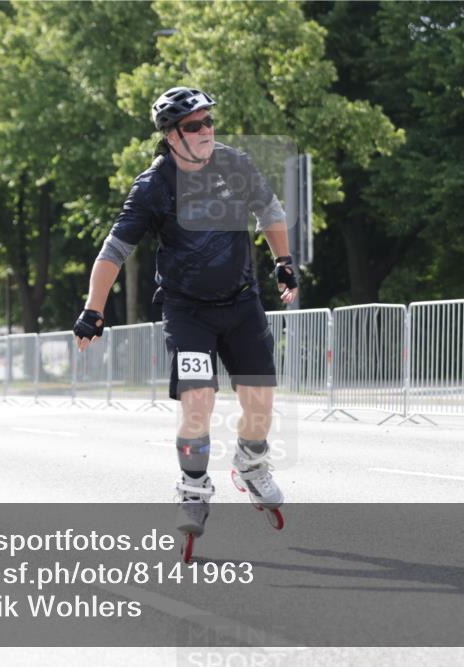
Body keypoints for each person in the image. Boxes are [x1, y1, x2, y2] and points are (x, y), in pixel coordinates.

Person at [73, 87, 298, 544]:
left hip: (241, 303)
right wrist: (93, 309)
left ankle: (251, 462)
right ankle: (193, 488)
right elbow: (114, 251)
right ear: (171, 136)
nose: (206, 130)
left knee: (259, 404)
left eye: (209, 121)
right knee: (198, 401)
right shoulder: (153, 186)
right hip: (187, 311)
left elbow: (269, 210)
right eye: (194, 125)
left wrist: (283, 260)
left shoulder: (234, 164)